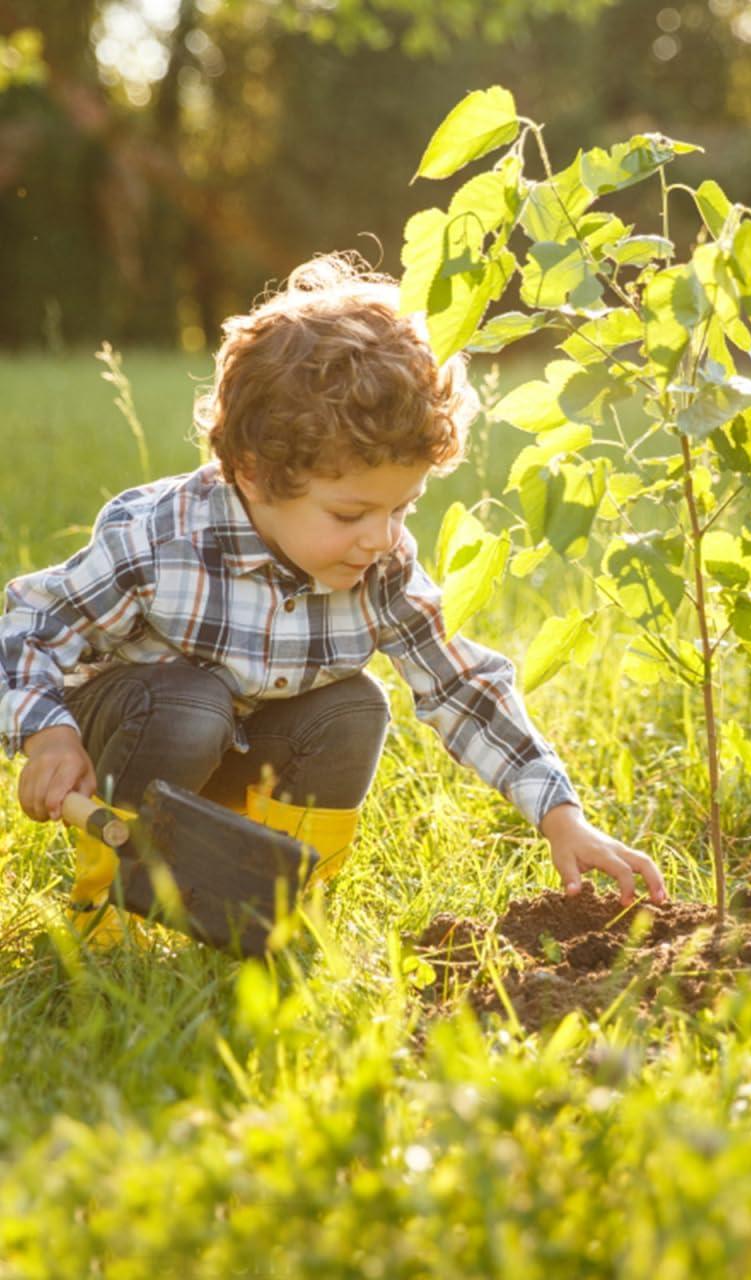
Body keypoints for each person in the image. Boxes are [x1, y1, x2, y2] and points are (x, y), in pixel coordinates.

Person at [0, 252, 665, 935]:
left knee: (352, 707)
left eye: (401, 509)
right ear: (255, 476)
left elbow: (463, 685)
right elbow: (26, 631)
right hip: (138, 736)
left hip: (240, 756)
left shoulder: (380, 567)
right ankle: (111, 916)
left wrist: (562, 816)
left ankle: (273, 910)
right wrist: (49, 738)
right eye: (351, 514)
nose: (381, 538)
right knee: (188, 703)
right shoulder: (160, 542)